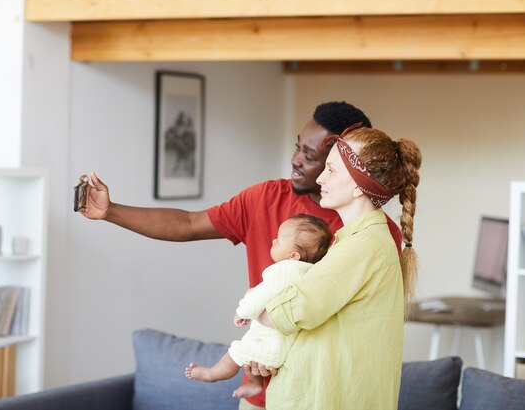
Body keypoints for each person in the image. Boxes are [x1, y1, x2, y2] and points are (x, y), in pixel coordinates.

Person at [77, 101, 403, 410]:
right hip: (261, 392)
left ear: (344, 165)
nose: (295, 160)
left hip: (317, 394)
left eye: (310, 155)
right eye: (297, 147)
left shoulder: (367, 235)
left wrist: (267, 329)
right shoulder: (265, 198)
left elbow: (348, 328)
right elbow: (190, 224)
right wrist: (110, 212)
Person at [257, 125, 422, 409]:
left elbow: (290, 311)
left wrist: (256, 315)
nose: (320, 177)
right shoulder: (357, 240)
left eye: (331, 170)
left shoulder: (363, 246)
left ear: (360, 185)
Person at [185, 215, 333, 399]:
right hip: (285, 345)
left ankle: (212, 374)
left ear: (293, 256)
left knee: (235, 353)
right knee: (253, 354)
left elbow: (262, 295)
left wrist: (242, 311)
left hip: (270, 341)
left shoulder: (283, 270)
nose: (273, 240)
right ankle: (254, 384)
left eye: (278, 241)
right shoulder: (309, 272)